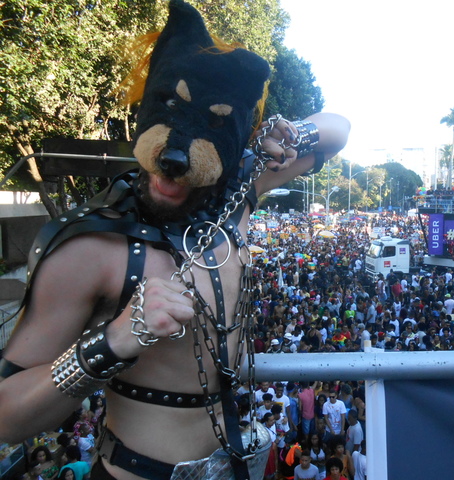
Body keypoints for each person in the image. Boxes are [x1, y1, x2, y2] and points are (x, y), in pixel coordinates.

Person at [0, 2, 350, 480]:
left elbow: (338, 130)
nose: (175, 163)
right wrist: (116, 339)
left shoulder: (236, 191)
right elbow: (6, 415)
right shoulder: (92, 248)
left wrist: (288, 133)